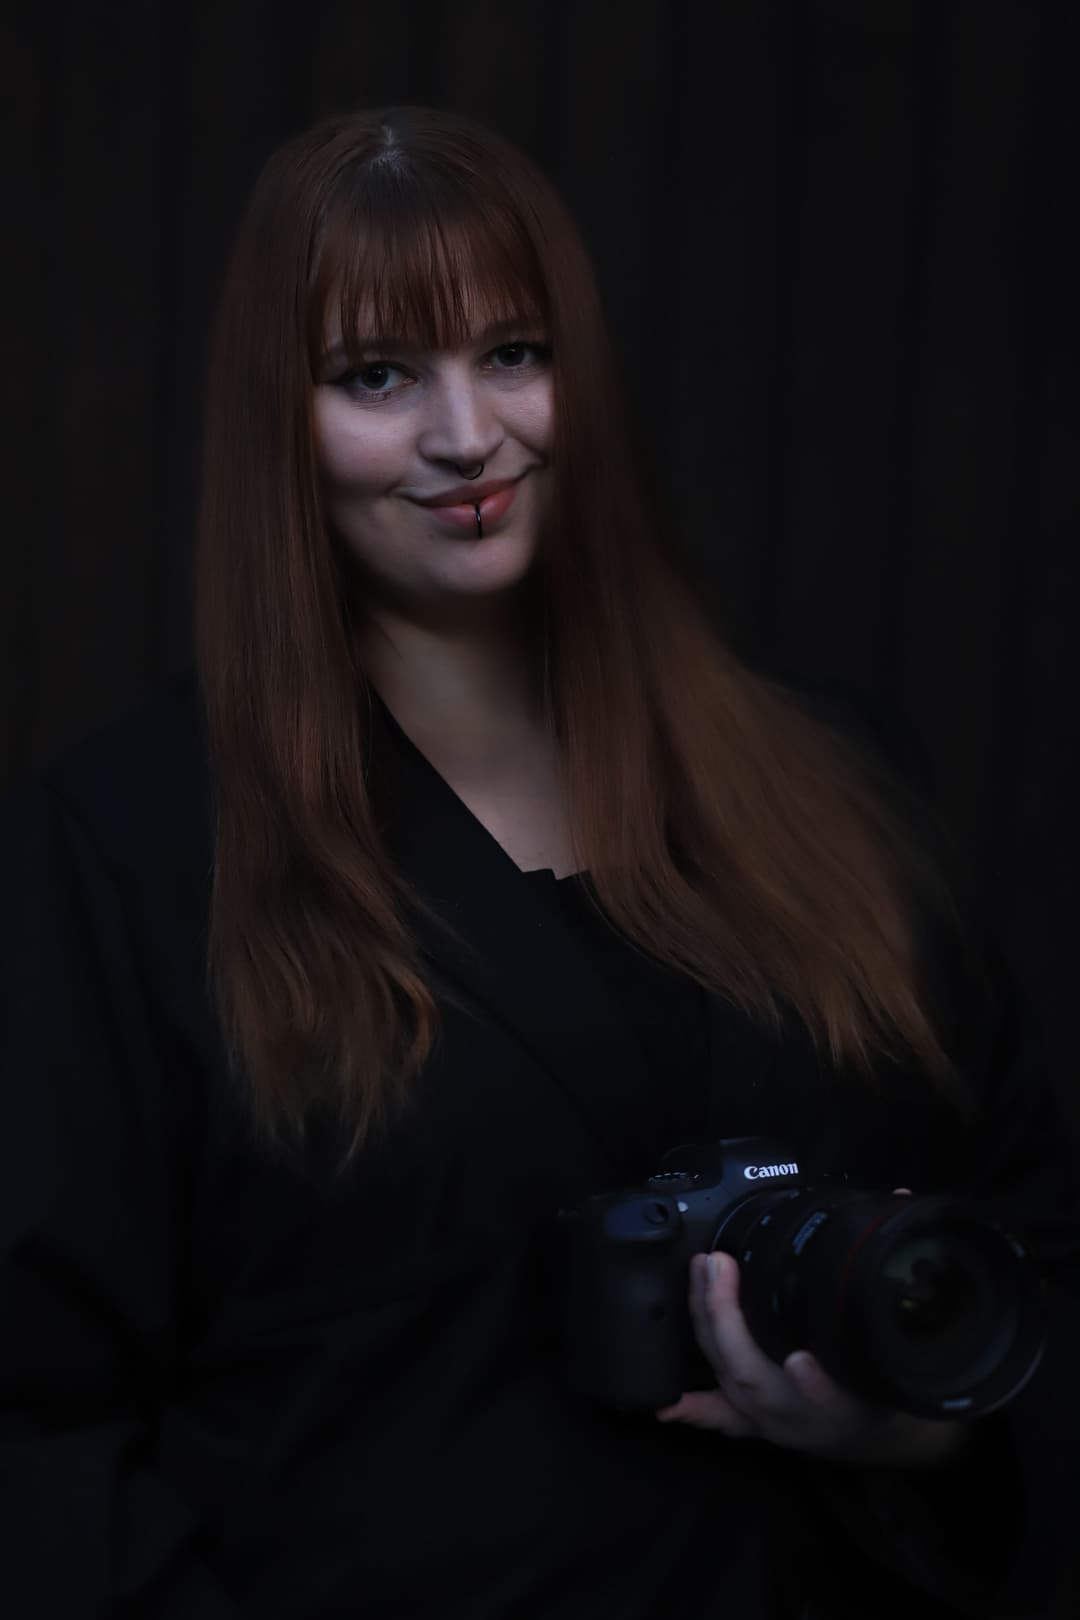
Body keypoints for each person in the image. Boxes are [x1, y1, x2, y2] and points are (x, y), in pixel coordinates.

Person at [1, 104, 1076, 1620]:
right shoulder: (127, 858)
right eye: (377, 376)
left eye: (513, 352)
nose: (466, 436)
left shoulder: (832, 781)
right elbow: (37, 1436)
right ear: (276, 419)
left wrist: (922, 1426)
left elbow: (1028, 1244)